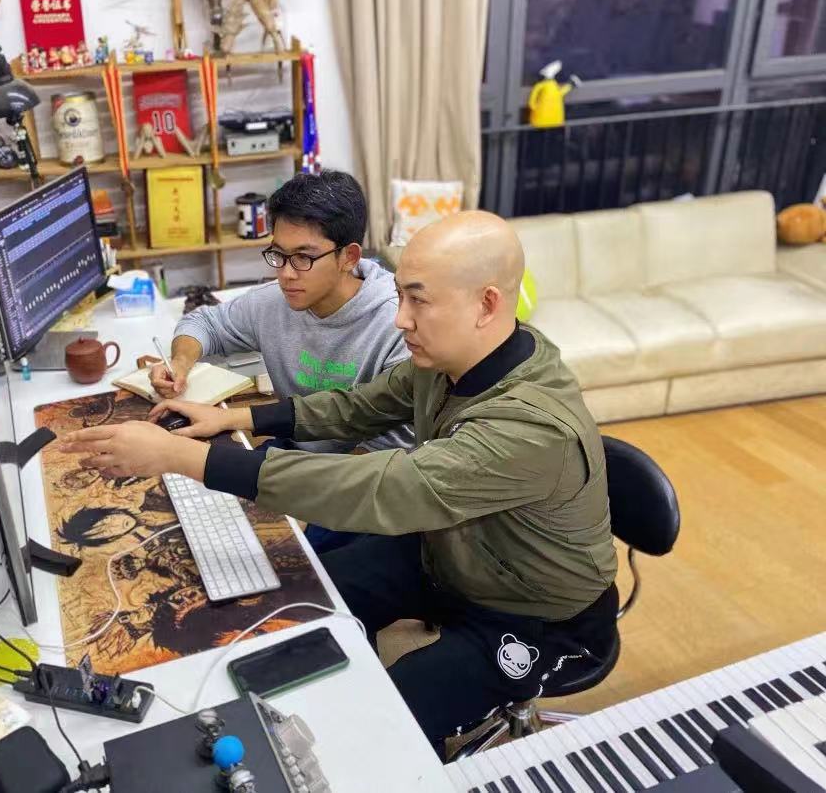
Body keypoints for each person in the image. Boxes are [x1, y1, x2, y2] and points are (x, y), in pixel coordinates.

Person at [59, 211, 618, 752]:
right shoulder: (456, 360)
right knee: (302, 605)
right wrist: (238, 419)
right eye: (399, 296)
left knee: (387, 722)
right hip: (452, 556)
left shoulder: (530, 429)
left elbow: (379, 488)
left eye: (418, 300)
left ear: (486, 305)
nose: (400, 320)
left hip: (537, 613)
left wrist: (182, 457)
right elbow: (359, 406)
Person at [150, 170, 413, 552]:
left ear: (349, 256)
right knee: (177, 508)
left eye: (303, 257)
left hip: (363, 484)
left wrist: (297, 500)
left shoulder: (398, 323)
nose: (286, 274)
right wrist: (180, 362)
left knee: (271, 555)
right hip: (292, 456)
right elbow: (203, 322)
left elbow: (389, 456)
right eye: (279, 255)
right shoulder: (278, 300)